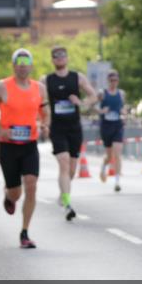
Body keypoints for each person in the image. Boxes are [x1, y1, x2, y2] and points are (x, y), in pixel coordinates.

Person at [0, 48, 50, 249]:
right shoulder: (2, 86)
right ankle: (8, 196)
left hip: (30, 144)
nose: (22, 67)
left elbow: (46, 112)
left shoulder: (39, 88)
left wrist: (45, 124)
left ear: (31, 66)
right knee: (16, 193)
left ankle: (25, 232)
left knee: (31, 184)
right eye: (19, 64)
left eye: (26, 64)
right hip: (8, 146)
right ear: (14, 66)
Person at [43, 45, 98, 220]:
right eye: (56, 56)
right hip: (57, 128)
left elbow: (93, 96)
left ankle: (63, 193)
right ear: (52, 60)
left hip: (74, 128)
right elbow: (38, 102)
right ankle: (67, 203)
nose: (59, 59)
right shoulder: (45, 80)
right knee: (64, 163)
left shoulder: (77, 77)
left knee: (72, 169)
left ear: (67, 58)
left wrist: (81, 102)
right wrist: (43, 123)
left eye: (62, 56)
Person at [97, 70, 126, 192]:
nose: (113, 82)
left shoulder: (121, 93)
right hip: (106, 126)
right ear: (108, 81)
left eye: (115, 80)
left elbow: (123, 106)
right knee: (109, 156)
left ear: (118, 81)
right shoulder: (102, 93)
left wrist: (124, 112)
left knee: (118, 154)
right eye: (111, 80)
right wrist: (101, 111)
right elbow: (95, 107)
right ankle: (104, 167)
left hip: (117, 125)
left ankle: (117, 181)